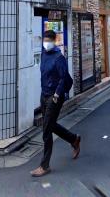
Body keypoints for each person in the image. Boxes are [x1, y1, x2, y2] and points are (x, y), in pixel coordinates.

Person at [31, 30, 81, 177]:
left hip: (54, 97)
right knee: (50, 125)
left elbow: (63, 78)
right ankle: (74, 139)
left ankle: (44, 166)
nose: (46, 43)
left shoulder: (59, 57)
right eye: (44, 40)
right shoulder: (43, 54)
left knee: (46, 130)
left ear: (54, 41)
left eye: (48, 40)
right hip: (44, 95)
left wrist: (57, 94)